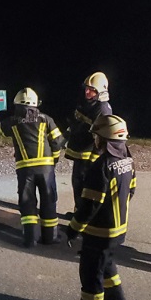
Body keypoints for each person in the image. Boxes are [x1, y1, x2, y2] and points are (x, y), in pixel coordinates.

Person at [64, 115, 136, 300]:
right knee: (107, 264)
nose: (95, 140)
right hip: (118, 230)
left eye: (97, 136)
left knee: (91, 272)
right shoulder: (128, 161)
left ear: (105, 139)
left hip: (100, 232)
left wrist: (73, 229)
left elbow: (89, 206)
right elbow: (131, 190)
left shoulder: (101, 166)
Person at [0, 87, 66, 247]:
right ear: (35, 104)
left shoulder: (12, 122)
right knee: (48, 200)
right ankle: (50, 237)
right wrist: (54, 160)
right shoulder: (46, 119)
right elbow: (57, 142)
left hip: (25, 169)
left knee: (27, 202)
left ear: (17, 104)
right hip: (46, 169)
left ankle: (30, 239)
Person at [64, 72, 113, 216]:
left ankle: (85, 217)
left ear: (100, 92)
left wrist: (94, 159)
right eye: (86, 88)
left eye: (91, 90)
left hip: (90, 155)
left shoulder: (102, 109)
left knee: (86, 186)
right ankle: (78, 213)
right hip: (80, 153)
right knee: (77, 183)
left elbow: (102, 137)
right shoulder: (87, 103)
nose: (87, 92)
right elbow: (77, 122)